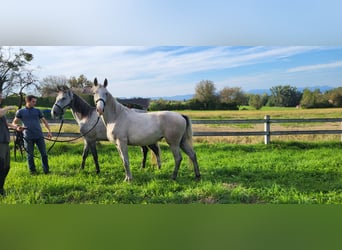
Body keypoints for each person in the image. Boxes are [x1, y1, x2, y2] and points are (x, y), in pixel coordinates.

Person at [12, 95, 52, 175]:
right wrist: (17, 127)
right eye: (33, 101)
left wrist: (49, 131)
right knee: (30, 155)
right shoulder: (20, 111)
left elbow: (44, 121)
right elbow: (14, 122)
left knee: (44, 154)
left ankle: (46, 171)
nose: (35, 103)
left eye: (35, 101)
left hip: (39, 136)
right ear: (28, 101)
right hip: (27, 137)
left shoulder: (37, 111)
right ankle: (32, 172)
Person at [0, 94, 24, 195]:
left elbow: (6, 124)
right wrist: (9, 107)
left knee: (6, 167)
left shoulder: (1, 110)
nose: (1, 98)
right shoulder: (1, 111)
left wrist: (15, 127)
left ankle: (1, 187)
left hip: (5, 142)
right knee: (0, 167)